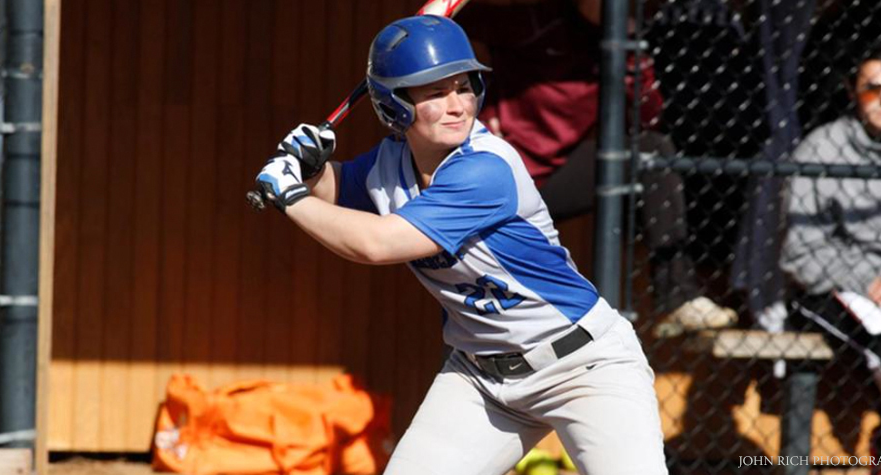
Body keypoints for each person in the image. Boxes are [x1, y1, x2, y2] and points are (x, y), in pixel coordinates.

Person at [254, 15, 667, 475]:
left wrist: (288, 196)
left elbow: (374, 244)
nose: (457, 105)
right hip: (480, 378)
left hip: (582, 369)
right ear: (396, 106)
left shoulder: (484, 169)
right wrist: (308, 170)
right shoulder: (389, 163)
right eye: (435, 93)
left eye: (464, 87)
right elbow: (336, 189)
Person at [455, 0, 737, 337]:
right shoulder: (537, 20)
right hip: (504, 174)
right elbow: (456, 20)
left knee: (652, 149)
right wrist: (475, 110)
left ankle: (678, 298)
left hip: (554, 175)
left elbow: (649, 117)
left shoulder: (620, 42)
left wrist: (632, 57)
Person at [780, 48, 881, 466]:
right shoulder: (820, 148)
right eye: (872, 88)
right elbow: (800, 252)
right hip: (837, 285)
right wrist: (866, 280)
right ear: (852, 92)